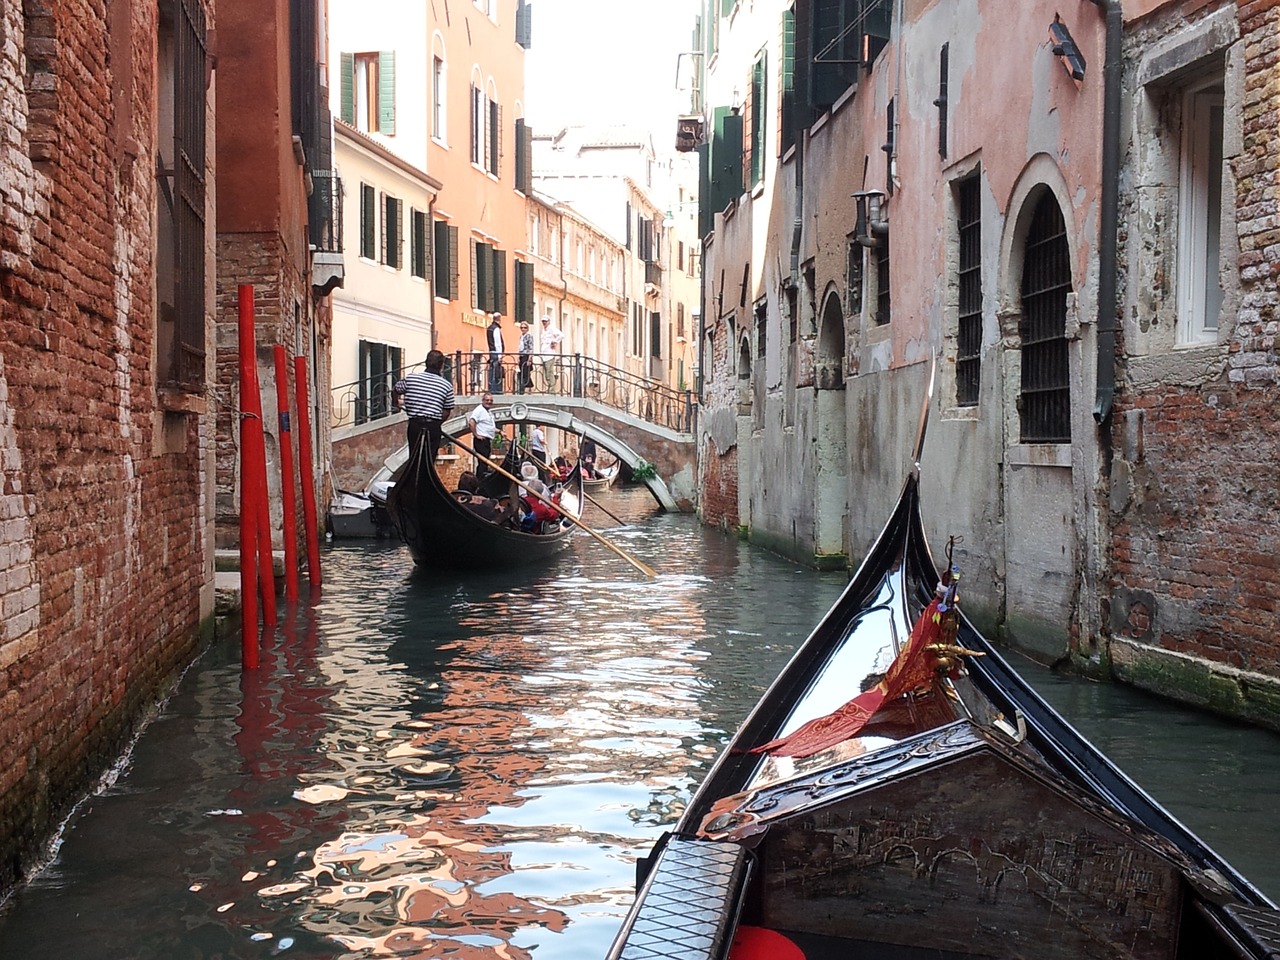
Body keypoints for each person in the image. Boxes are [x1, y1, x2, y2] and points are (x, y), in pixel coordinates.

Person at [393, 349, 454, 457]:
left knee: (414, 455)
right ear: (441, 365)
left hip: (415, 425)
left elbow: (395, 390)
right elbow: (447, 411)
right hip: (433, 426)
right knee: (429, 458)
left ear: (426, 363)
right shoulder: (446, 385)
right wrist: (436, 423)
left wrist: (396, 404)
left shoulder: (411, 378)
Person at [467, 392, 497, 476]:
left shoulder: (488, 412)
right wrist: (476, 435)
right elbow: (471, 422)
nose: (489, 402)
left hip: (486, 440)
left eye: (491, 400)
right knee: (483, 462)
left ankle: (482, 477)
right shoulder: (479, 410)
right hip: (481, 440)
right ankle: (480, 479)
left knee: (484, 462)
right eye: (487, 400)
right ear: (483, 400)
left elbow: (489, 427)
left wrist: (500, 431)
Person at [538, 314, 564, 391]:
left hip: (549, 354)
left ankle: (552, 390)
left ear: (549, 322)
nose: (544, 323)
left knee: (549, 372)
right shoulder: (543, 330)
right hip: (544, 354)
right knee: (546, 373)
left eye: (545, 321)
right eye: (543, 321)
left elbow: (561, 335)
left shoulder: (552, 329)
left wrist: (555, 342)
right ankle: (550, 388)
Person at [486, 312, 505, 392]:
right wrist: (500, 355)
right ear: (499, 319)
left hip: (491, 352)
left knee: (492, 371)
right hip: (496, 353)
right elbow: (498, 343)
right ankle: (496, 390)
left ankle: (491, 388)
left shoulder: (489, 328)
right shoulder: (496, 329)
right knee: (496, 372)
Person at [517, 320, 535, 392]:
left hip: (526, 356)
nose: (523, 329)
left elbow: (531, 348)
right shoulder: (521, 336)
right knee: (522, 372)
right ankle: (525, 388)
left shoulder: (529, 336)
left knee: (526, 373)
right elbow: (520, 347)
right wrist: (518, 357)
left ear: (527, 328)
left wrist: (529, 359)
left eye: (524, 327)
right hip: (521, 355)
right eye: (521, 327)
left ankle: (528, 388)